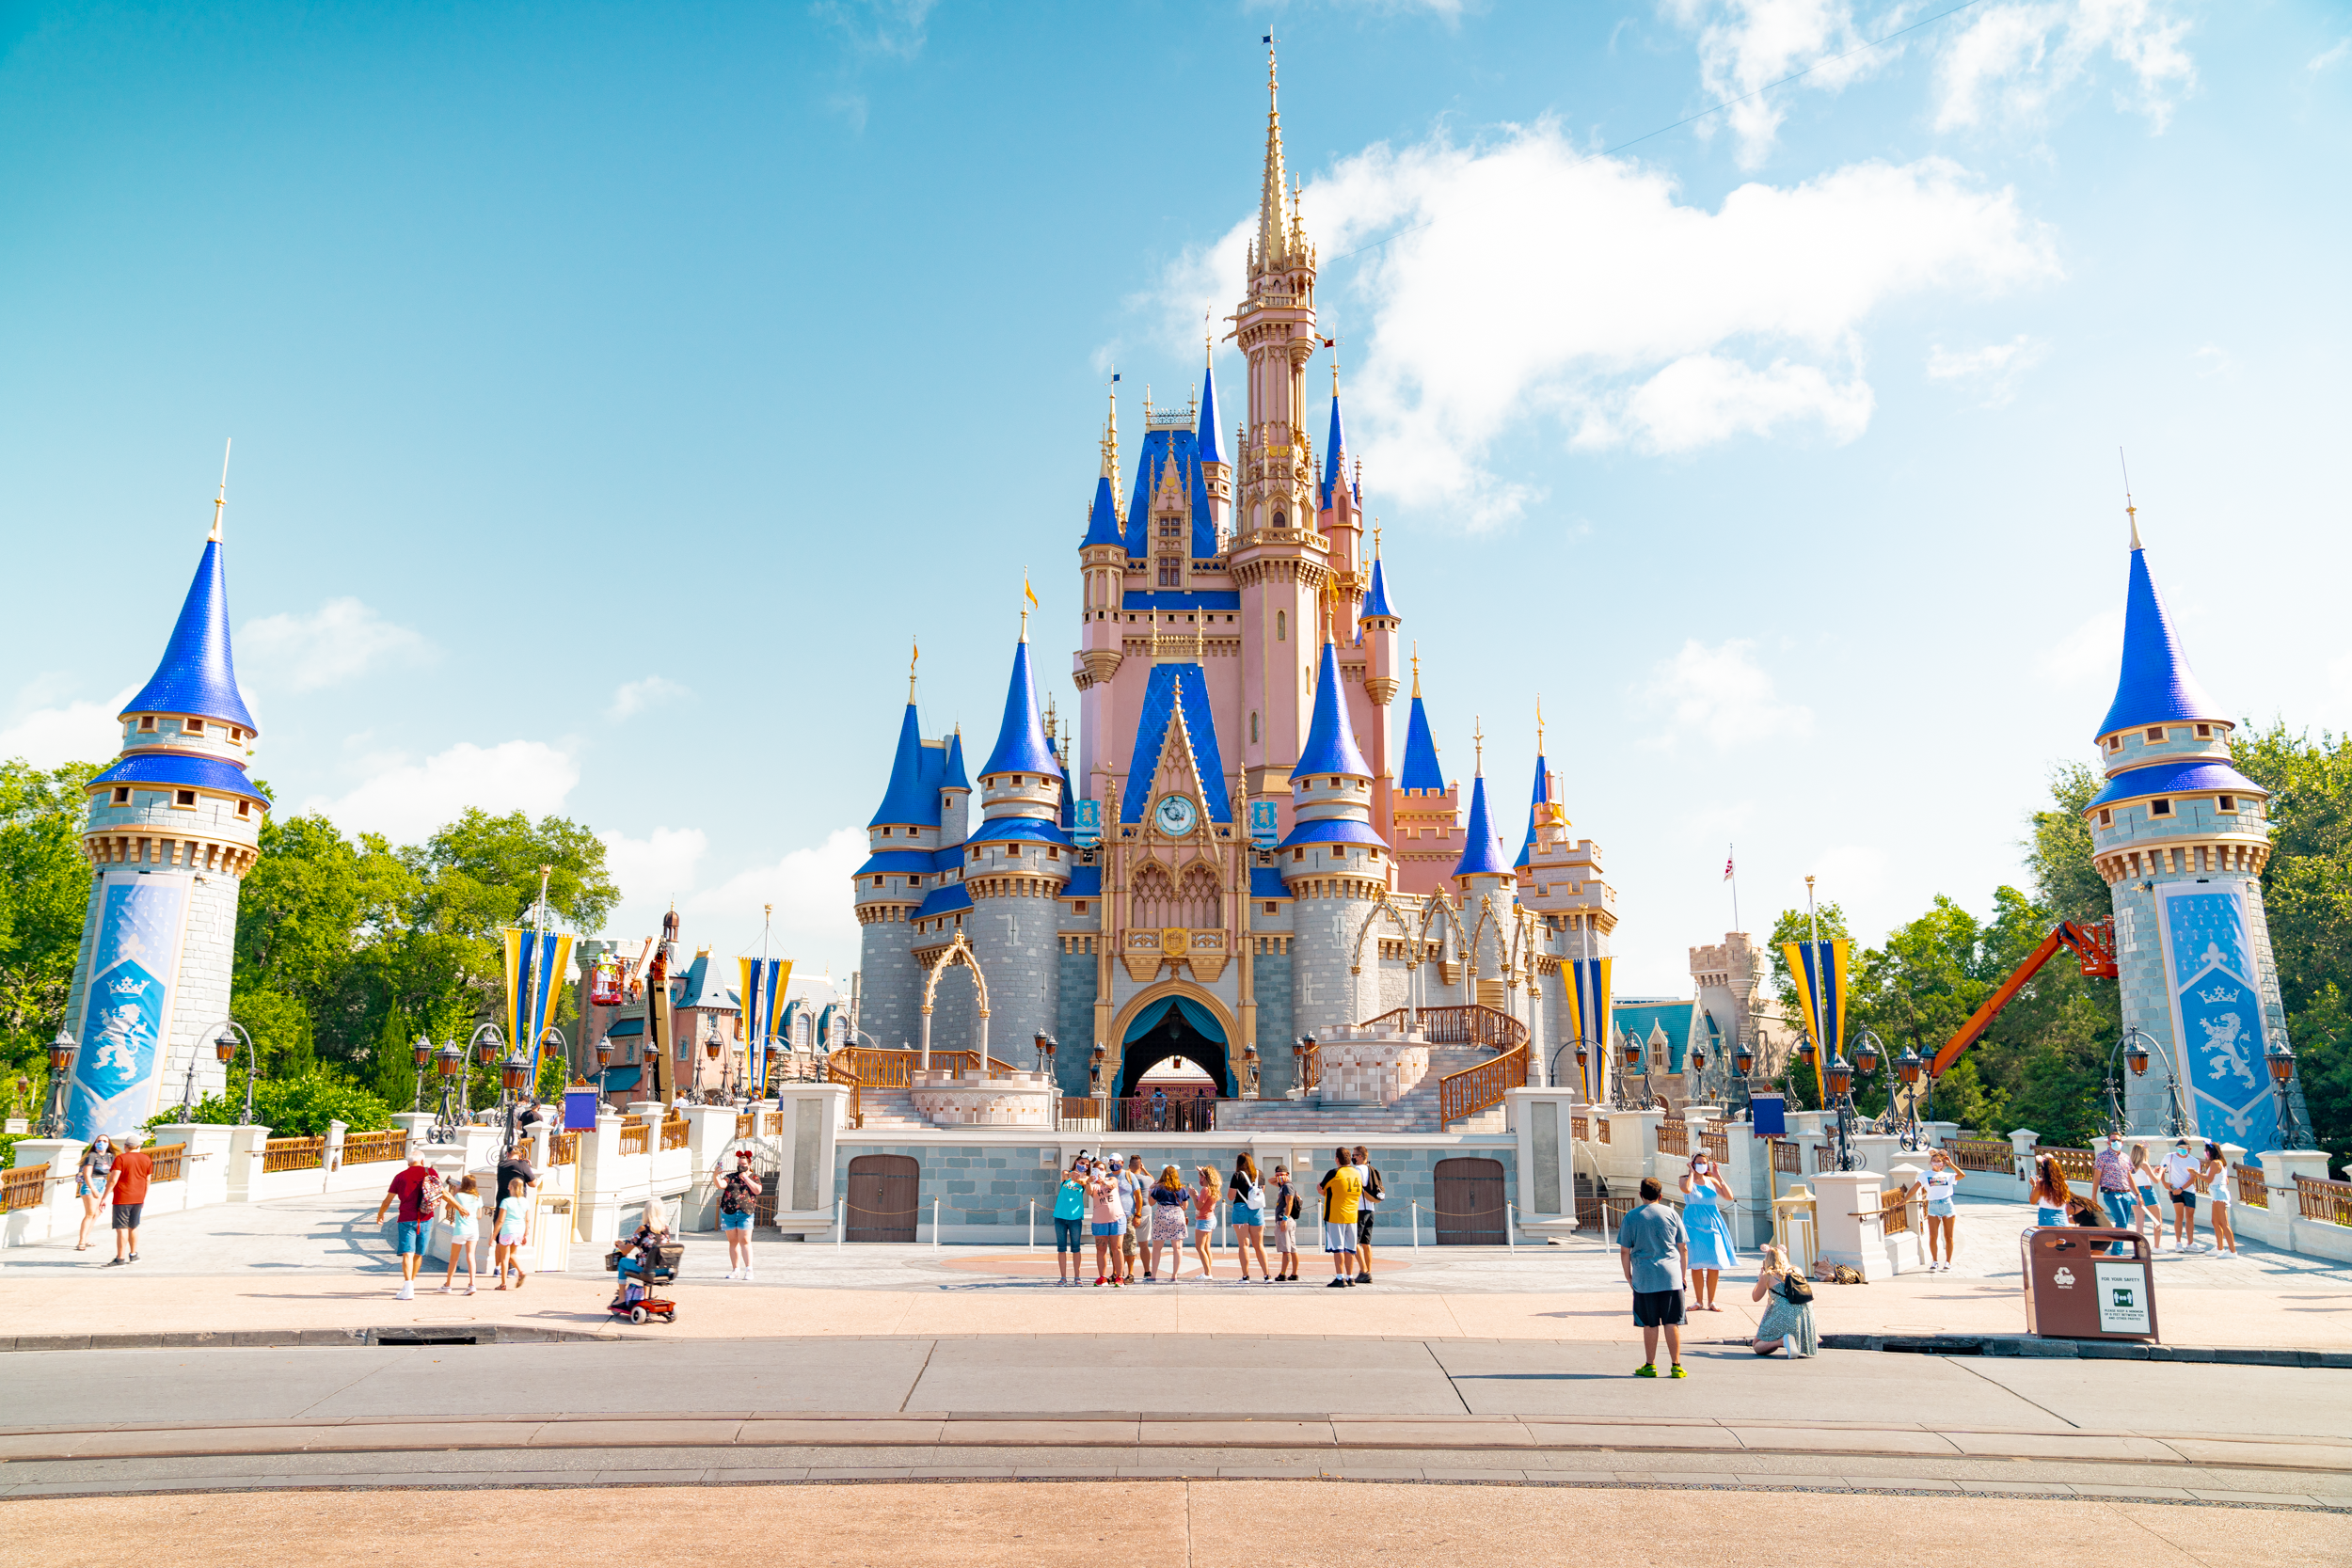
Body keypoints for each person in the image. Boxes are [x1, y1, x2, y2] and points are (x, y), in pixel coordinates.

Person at [1615, 1175, 1690, 1377]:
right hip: (1671, 1275)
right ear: (1661, 1195)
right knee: (1672, 1322)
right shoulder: (1672, 1214)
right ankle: (1676, 1365)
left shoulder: (1631, 1216)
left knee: (1649, 1323)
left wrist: (1628, 1275)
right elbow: (1682, 1248)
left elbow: (1624, 1251)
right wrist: (1682, 1275)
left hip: (1645, 1275)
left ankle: (1650, 1364)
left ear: (1641, 1195)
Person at [373, 1148, 439, 1300]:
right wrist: (458, 1207)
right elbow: (441, 1192)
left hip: (406, 1218)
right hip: (426, 1217)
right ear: (422, 1161)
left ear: (408, 1163)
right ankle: (410, 1285)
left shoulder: (400, 1177)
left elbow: (387, 1200)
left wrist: (381, 1213)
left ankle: (408, 1286)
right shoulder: (431, 1173)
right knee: (418, 1254)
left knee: (407, 1253)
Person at [1677, 1150, 1739, 1309]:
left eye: (1704, 1162)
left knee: (1714, 1262)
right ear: (1692, 1163)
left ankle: (1712, 1301)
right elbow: (1688, 1190)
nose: (1702, 1165)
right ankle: (1699, 1301)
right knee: (1696, 1264)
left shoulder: (1712, 1181)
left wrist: (1718, 1176)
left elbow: (1729, 1196)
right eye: (1698, 1162)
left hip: (1713, 1223)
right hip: (1693, 1224)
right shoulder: (1684, 1179)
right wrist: (1691, 1173)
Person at [1749, 1242, 1818, 1357]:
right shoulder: (1797, 1271)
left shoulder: (1768, 1275)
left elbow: (1755, 1297)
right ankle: (1793, 1340)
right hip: (1804, 1315)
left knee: (1757, 1345)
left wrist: (1760, 1279)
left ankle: (1781, 1341)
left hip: (1783, 1314)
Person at [99, 1131, 154, 1268]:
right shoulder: (146, 1159)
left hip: (123, 1197)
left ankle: (120, 1258)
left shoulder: (121, 1159)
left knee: (121, 1228)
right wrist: (143, 1196)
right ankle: (133, 1254)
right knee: (133, 1226)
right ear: (139, 1146)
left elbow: (113, 1180)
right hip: (138, 1197)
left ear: (125, 1146)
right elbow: (148, 1180)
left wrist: (104, 1197)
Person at [611, 1195, 673, 1307]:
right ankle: (645, 1296)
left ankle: (622, 1298)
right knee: (648, 1261)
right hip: (664, 1270)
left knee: (622, 1262)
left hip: (647, 1269)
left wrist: (619, 1244)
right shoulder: (666, 1228)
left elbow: (625, 1251)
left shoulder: (643, 1229)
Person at [1317, 1146, 1362, 1287]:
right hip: (1352, 1214)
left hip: (1336, 1214)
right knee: (1350, 1248)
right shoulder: (1356, 1173)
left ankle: (1339, 1277)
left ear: (1337, 1159)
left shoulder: (1334, 1172)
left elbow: (1321, 1188)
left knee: (1338, 1248)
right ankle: (1350, 1277)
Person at [717, 1149, 761, 1280]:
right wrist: (715, 1175)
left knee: (745, 1241)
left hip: (745, 1212)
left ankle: (749, 1270)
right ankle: (735, 1269)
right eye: (739, 1163)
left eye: (743, 1163)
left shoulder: (754, 1177)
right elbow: (721, 1185)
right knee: (733, 1241)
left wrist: (746, 1177)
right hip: (729, 1211)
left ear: (749, 1164)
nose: (740, 1165)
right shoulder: (731, 1177)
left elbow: (757, 1190)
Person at [2092, 1133, 2137, 1255]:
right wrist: (2094, 1196)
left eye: (2118, 1140)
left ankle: (2118, 1248)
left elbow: (2129, 1177)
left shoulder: (2125, 1157)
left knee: (2123, 1223)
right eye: (2113, 1140)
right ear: (2108, 1142)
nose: (2116, 1142)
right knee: (2121, 1220)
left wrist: (2137, 1194)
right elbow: (2097, 1177)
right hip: (2111, 1193)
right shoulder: (2102, 1157)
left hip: (2126, 1194)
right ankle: (2116, 1251)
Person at [1229, 1155, 1269, 1282]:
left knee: (1244, 1244)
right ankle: (1267, 1275)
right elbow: (1262, 1192)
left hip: (1241, 1208)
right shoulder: (1259, 1174)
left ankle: (1245, 1276)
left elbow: (1230, 1196)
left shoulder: (1237, 1175)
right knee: (1259, 1244)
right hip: (1256, 1210)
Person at [439, 1175, 482, 1294]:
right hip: (473, 1230)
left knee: (454, 1258)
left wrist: (455, 1193)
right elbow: (479, 1216)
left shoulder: (459, 1196)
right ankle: (472, 1284)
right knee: (471, 1256)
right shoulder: (478, 1198)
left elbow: (448, 1207)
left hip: (461, 1230)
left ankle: (448, 1285)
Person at [1086, 1157, 1124, 1286]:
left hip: (1116, 1218)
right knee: (1101, 1249)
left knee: (1117, 1248)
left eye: (1101, 1169)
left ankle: (1119, 1276)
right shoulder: (1093, 1185)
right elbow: (1089, 1192)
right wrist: (1088, 1182)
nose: (1099, 1172)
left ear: (1105, 1171)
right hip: (1099, 1220)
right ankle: (1102, 1277)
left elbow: (1112, 1185)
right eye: (1096, 1169)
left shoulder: (1111, 1179)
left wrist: (1103, 1182)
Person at [1150, 1164, 1191, 1280]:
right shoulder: (1181, 1188)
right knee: (1177, 1247)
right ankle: (1175, 1275)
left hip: (1162, 1215)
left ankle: (1153, 1275)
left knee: (1157, 1247)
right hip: (1177, 1215)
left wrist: (1150, 1188)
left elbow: (1151, 1203)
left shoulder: (1159, 1188)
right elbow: (1185, 1206)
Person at [1920, 1148, 1960, 1271]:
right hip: (1933, 1206)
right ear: (1930, 1162)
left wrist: (1951, 1163)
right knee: (1933, 1236)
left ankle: (1948, 1261)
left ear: (1943, 1164)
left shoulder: (1948, 1176)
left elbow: (1962, 1175)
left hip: (1947, 1204)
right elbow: (1915, 1187)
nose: (1936, 1163)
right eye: (1934, 1161)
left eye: (1939, 1161)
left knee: (1949, 1236)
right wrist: (1903, 1200)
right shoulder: (1925, 1175)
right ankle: (1935, 1261)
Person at [1052, 1158, 1089, 1285]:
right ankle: (1063, 1277)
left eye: (1087, 1164)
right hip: (1060, 1216)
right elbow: (1064, 1174)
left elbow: (1085, 1182)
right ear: (1076, 1162)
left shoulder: (1085, 1179)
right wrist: (1072, 1174)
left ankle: (1077, 1277)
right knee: (1061, 1248)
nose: (1084, 1165)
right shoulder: (1067, 1175)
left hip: (1075, 1217)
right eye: (1082, 1163)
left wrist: (1078, 1178)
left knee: (1076, 1248)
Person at [74, 1134, 115, 1252]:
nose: (102, 1143)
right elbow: (87, 1174)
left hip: (102, 1183)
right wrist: (93, 1189)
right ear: (95, 1143)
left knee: (97, 1213)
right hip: (91, 1184)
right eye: (99, 1141)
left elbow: (112, 1171)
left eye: (104, 1141)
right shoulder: (92, 1156)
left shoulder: (109, 1157)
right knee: (90, 1213)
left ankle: (86, 1239)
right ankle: (81, 1241)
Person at [1351, 1147, 1384, 1285]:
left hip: (1359, 1209)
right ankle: (1368, 1271)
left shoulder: (1358, 1170)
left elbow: (1355, 1188)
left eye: (1354, 1155)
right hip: (1370, 1209)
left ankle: (1363, 1271)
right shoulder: (1372, 1169)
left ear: (1360, 1156)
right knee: (1366, 1243)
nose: (1352, 1158)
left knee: (1354, 1242)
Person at [493, 1174, 532, 1289]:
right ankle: (521, 1270)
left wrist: (493, 1235)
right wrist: (525, 1234)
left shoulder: (506, 1201)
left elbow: (500, 1220)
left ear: (510, 1187)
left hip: (507, 1230)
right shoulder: (525, 1202)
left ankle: (503, 1283)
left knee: (505, 1258)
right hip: (519, 1230)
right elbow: (527, 1219)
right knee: (512, 1255)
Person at [2162, 1138, 2201, 1250]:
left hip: (2188, 1190)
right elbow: (2161, 1170)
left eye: (2184, 1148)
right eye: (2179, 1148)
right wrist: (2165, 1183)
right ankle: (2178, 1242)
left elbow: (2193, 1178)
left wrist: (2182, 1188)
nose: (2181, 1150)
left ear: (2189, 1149)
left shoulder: (2194, 1161)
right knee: (2179, 1215)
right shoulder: (2169, 1157)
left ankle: (2190, 1243)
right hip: (2175, 1190)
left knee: (2190, 1216)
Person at [2201, 1142, 2238, 1258]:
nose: (2205, 1153)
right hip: (2217, 1193)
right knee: (2215, 1221)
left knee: (2224, 1223)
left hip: (2219, 1195)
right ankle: (2220, 1248)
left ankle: (2232, 1251)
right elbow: (2226, 1181)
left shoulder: (2215, 1163)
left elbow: (2208, 1179)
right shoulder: (2221, 1163)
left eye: (2207, 1151)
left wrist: (2196, 1174)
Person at [2128, 1143, 2165, 1248]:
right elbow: (2156, 1180)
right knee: (2157, 1221)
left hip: (2135, 1193)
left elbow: (2140, 1177)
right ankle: (2157, 1247)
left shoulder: (2130, 1165)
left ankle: (2140, 1247)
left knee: (2139, 1224)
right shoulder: (2144, 1164)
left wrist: (2153, 1172)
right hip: (2147, 1191)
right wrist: (2161, 1172)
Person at [1121, 1153, 1151, 1283]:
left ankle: (1122, 1271)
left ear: (1129, 1166)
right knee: (1143, 1245)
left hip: (1129, 1213)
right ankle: (1147, 1270)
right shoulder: (1146, 1179)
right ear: (1141, 1165)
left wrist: (1127, 1171)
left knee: (1125, 1245)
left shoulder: (1126, 1178)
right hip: (1145, 1212)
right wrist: (1144, 1170)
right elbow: (1153, 1181)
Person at [1190, 1165, 1221, 1281]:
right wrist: (1197, 1196)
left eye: (1200, 1176)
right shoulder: (1212, 1189)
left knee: (1200, 1247)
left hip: (1204, 1220)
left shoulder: (1205, 1189)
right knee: (1207, 1247)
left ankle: (1207, 1273)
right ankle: (1208, 1271)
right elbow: (1204, 1203)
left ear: (1204, 1178)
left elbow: (1199, 1206)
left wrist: (1193, 1196)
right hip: (1210, 1218)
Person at [1270, 1164, 1301, 1281]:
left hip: (1285, 1220)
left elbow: (1290, 1203)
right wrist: (1278, 1177)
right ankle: (1294, 1273)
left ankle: (1283, 1273)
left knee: (1286, 1249)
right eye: (1277, 1175)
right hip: (1287, 1220)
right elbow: (1270, 1180)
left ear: (1287, 1175)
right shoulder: (1283, 1185)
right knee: (1292, 1248)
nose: (1279, 1177)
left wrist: (1285, 1219)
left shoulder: (1287, 1186)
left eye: (1282, 1175)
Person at [2029, 1153, 2071, 1227]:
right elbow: (2067, 1200)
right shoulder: (2064, 1184)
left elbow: (2033, 1201)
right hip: (2062, 1218)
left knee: (2047, 1239)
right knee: (2061, 1239)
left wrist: (2034, 1186)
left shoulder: (2042, 1185)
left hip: (2046, 1218)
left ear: (2043, 1171)